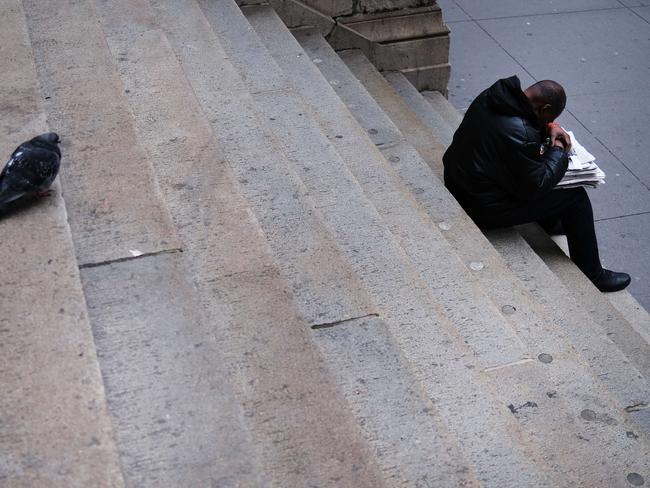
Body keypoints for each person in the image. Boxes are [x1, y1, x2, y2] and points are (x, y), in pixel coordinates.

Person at [443, 75, 630, 292]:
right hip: (479, 207)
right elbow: (537, 185)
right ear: (545, 107)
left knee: (538, 165)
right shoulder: (520, 133)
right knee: (574, 196)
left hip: (459, 180)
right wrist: (559, 151)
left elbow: (516, 136)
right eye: (549, 116)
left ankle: (550, 222)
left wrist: (549, 125)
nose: (546, 122)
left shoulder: (492, 96)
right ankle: (593, 273)